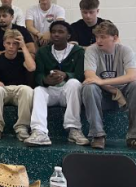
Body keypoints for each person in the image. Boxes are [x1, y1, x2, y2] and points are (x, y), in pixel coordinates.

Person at [24, 21, 88, 147]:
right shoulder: (43, 52)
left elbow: (81, 75)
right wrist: (45, 80)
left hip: (67, 92)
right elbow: (38, 75)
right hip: (51, 91)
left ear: (68, 36)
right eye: (53, 32)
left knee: (74, 83)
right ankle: (39, 132)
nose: (56, 35)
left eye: (60, 32)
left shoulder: (78, 52)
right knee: (38, 90)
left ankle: (74, 129)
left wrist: (66, 75)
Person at [82, 21, 136, 150]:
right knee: (89, 87)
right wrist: (111, 90)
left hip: (123, 91)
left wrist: (102, 81)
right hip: (102, 94)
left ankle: (133, 136)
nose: (99, 40)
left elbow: (132, 76)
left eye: (103, 37)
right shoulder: (91, 50)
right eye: (97, 37)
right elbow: (90, 76)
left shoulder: (125, 50)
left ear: (115, 38)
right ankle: (97, 135)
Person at [0, 29, 36, 141]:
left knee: (27, 90)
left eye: (14, 44)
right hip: (3, 90)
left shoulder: (22, 58)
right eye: (8, 43)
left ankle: (22, 127)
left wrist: (23, 47)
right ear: (4, 43)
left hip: (19, 90)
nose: (11, 46)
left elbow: (32, 67)